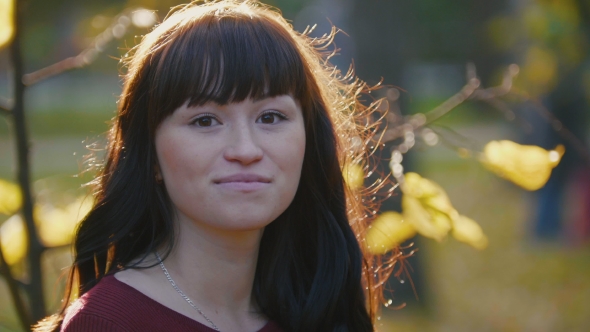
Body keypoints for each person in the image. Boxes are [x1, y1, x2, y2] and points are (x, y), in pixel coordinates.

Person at [35, 1, 391, 331]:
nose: (245, 149)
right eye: (205, 121)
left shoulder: (320, 309)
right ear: (150, 156)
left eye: (270, 116)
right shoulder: (107, 322)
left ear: (309, 140)